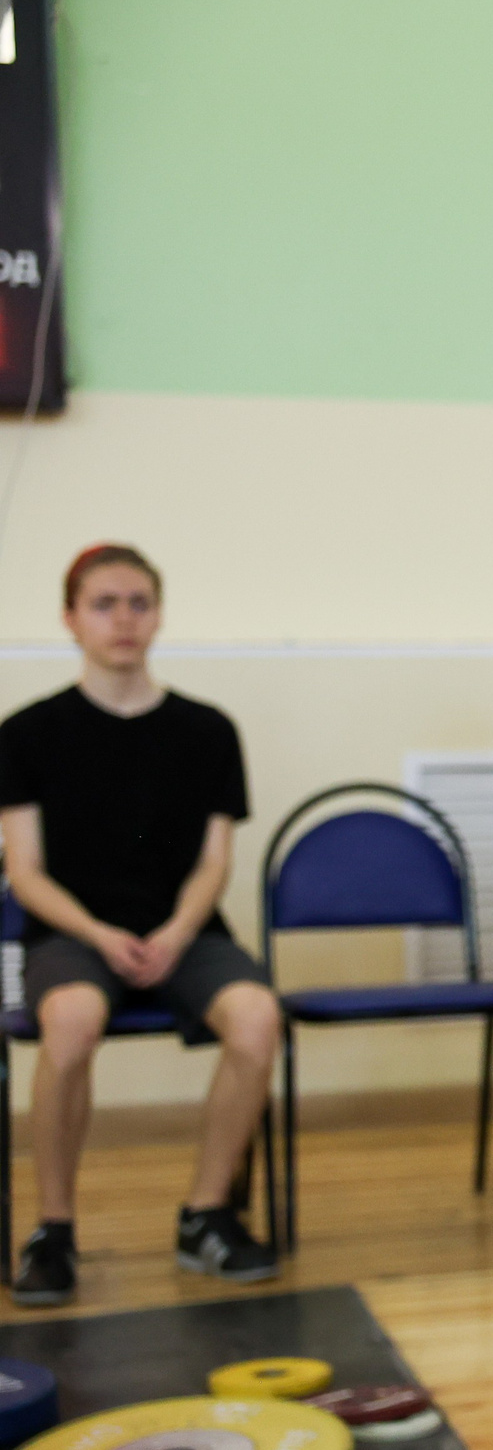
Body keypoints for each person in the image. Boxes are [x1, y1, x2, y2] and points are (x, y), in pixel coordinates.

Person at [0, 545, 282, 1305]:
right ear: (70, 617)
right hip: (74, 934)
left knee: (257, 1015)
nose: (123, 619)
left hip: (185, 932)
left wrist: (178, 932)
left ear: (158, 613)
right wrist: (98, 934)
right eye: (104, 603)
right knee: (71, 1021)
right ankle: (53, 1228)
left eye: (138, 602)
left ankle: (207, 1213)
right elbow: (24, 870)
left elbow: (215, 861)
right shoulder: (27, 733)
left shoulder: (208, 729)